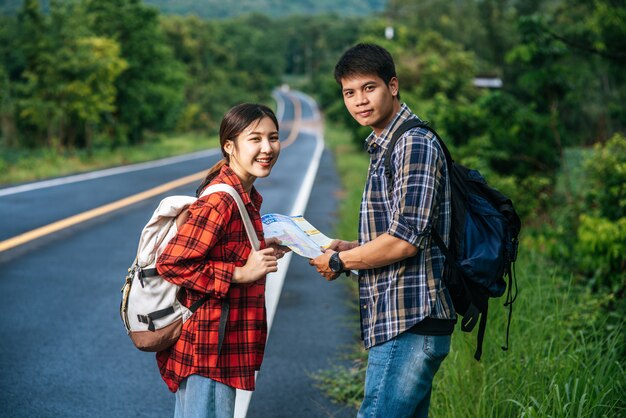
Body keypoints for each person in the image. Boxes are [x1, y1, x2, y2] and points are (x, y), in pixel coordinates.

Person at [310, 43, 456, 418]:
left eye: (369, 88)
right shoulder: (385, 145)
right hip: (398, 318)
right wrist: (354, 247)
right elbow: (404, 231)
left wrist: (342, 260)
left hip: (411, 320)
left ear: (392, 85)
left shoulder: (413, 144)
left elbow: (405, 241)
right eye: (349, 92)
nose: (359, 100)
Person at [156, 103, 290, 418]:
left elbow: (215, 248)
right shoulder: (221, 200)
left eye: (273, 138)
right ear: (229, 146)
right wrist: (239, 274)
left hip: (219, 344)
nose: (267, 148)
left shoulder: (243, 194)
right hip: (210, 348)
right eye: (255, 139)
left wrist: (256, 247)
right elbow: (171, 263)